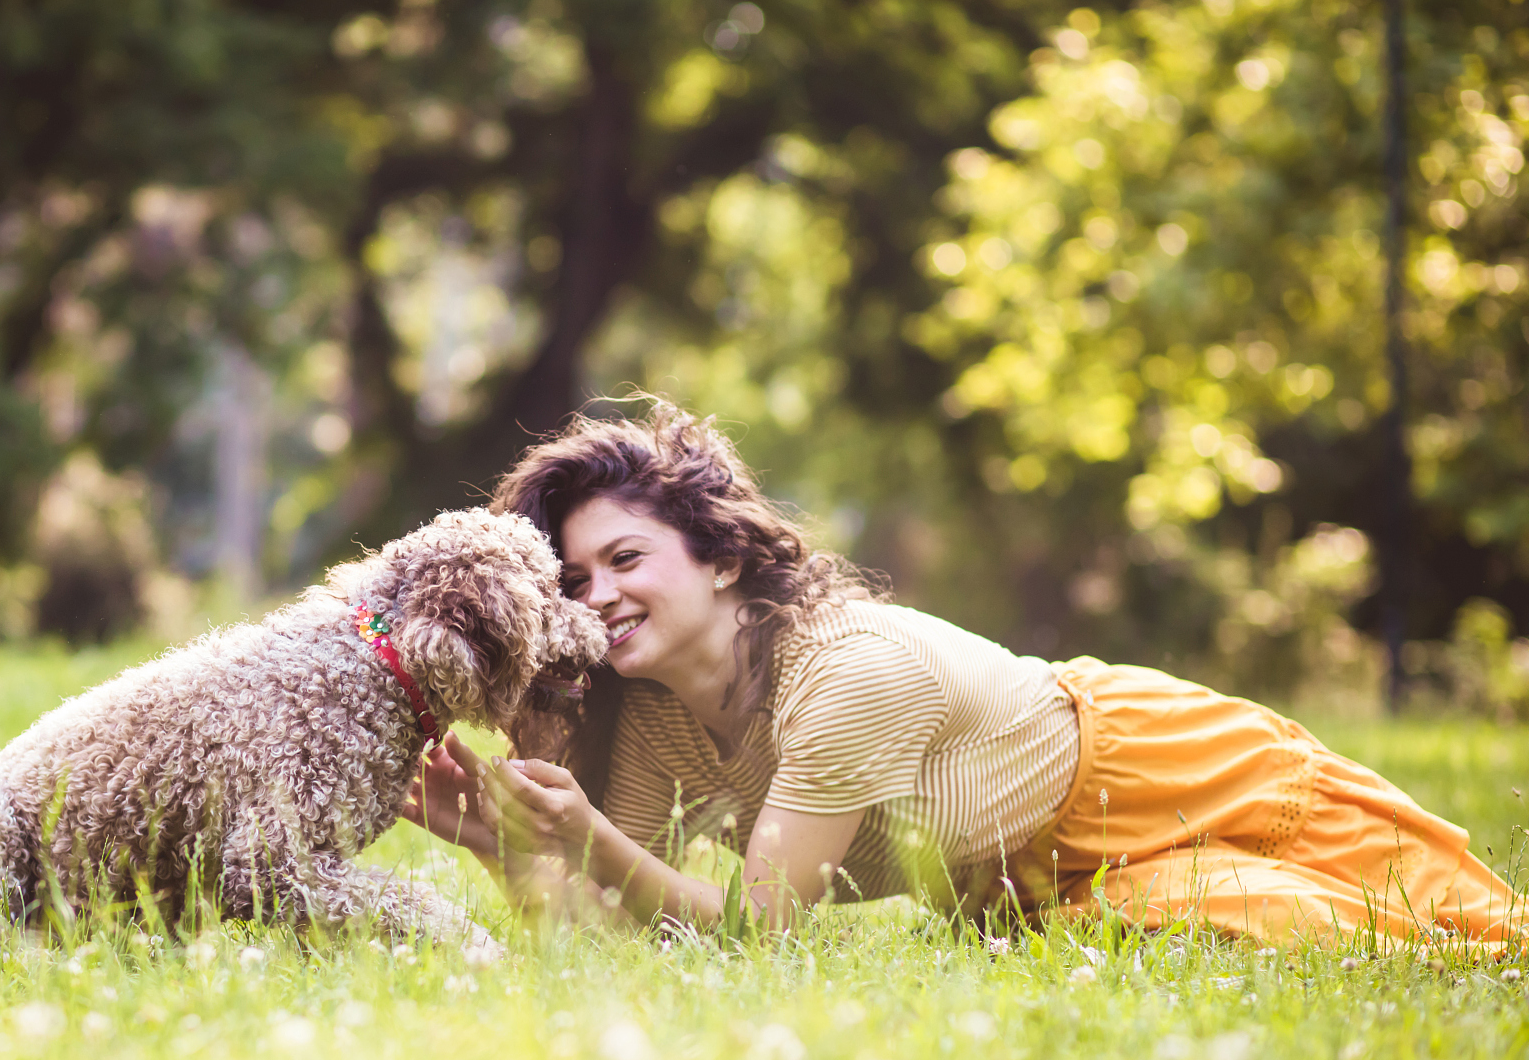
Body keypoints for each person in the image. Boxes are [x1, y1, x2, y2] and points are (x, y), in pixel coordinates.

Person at [401, 400, 1524, 951]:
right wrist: (511, 849)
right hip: (1033, 894)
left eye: (625, 559)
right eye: (572, 574)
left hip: (1155, 782)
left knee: (1466, 938)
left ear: (726, 556)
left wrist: (591, 841)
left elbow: (756, 935)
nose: (592, 595)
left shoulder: (846, 674)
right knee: (1174, 939)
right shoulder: (647, 718)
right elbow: (621, 943)